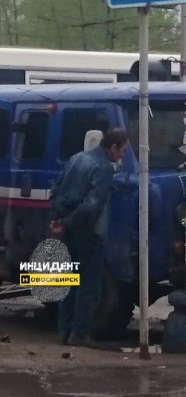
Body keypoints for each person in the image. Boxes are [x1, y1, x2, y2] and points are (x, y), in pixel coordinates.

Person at [49, 128, 129, 347]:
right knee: (87, 286)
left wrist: (58, 220)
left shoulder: (76, 158)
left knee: (68, 282)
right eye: (123, 150)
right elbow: (92, 206)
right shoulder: (103, 168)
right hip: (89, 232)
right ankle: (80, 333)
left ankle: (64, 331)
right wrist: (67, 223)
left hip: (68, 230)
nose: (123, 155)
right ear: (112, 147)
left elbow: (55, 190)